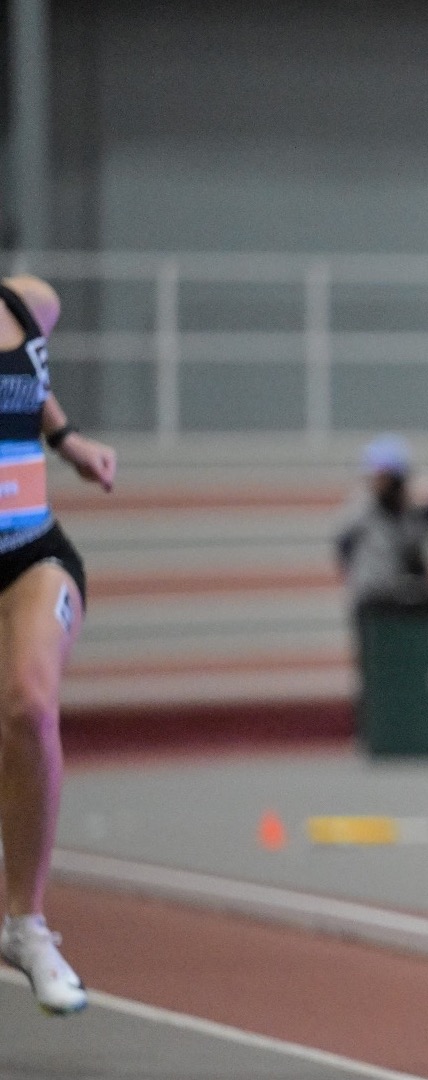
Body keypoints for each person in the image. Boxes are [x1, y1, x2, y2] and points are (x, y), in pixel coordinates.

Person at [0, 275, 116, 1015]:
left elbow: (29, 381)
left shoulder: (28, 303)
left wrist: (66, 437)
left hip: (32, 549)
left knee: (31, 705)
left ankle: (25, 924)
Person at [334, 434, 428, 605]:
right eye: (375, 477)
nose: (377, 483)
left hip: (409, 599)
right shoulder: (362, 508)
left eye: (383, 478)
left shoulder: (414, 506)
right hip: (373, 596)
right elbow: (343, 544)